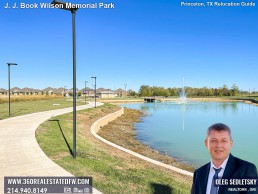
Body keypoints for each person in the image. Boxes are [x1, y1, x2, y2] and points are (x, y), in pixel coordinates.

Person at [191, 123, 258, 194]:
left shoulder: (246, 170)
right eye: (214, 140)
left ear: (231, 143)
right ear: (206, 143)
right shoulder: (199, 173)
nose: (219, 145)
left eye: (224, 141)